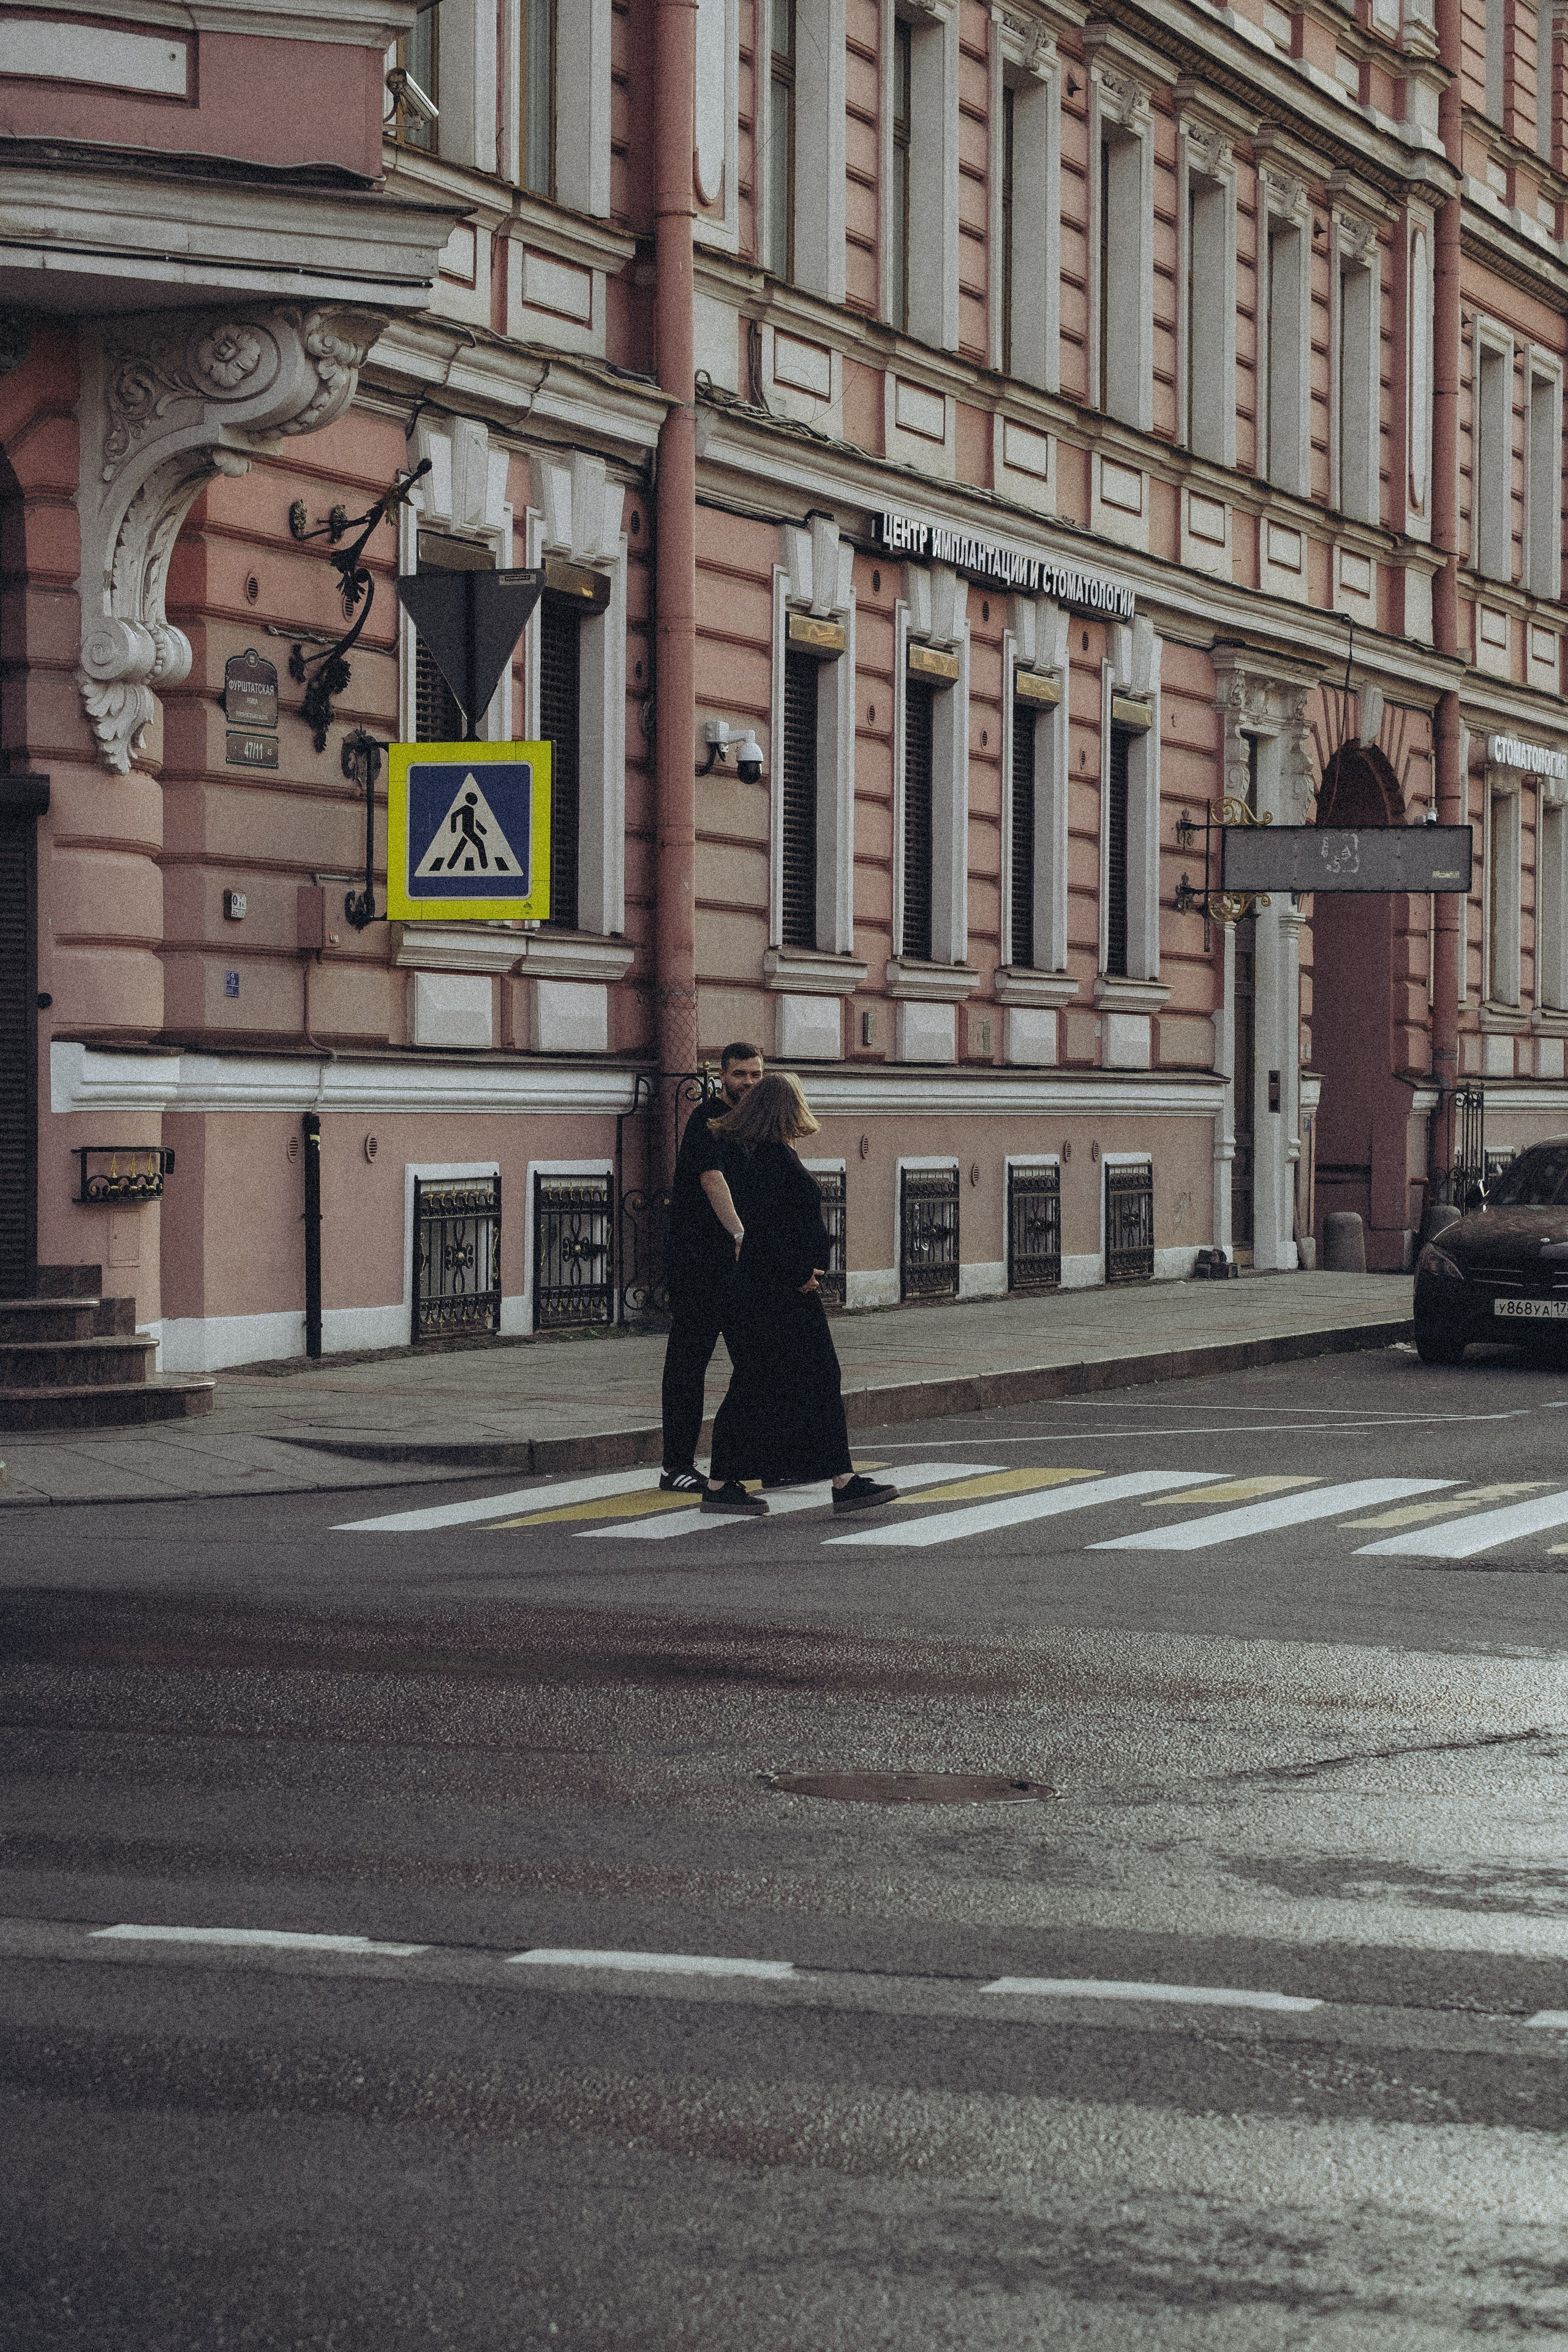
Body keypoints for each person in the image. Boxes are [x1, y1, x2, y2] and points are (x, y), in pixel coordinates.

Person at [700, 1072, 897, 1518]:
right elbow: (768, 1230)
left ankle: (830, 1478)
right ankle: (837, 1481)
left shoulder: (765, 1155)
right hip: (777, 1292)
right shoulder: (769, 1160)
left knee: (768, 1382)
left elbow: (773, 1228)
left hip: (770, 1289)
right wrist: (800, 1273)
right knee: (791, 1379)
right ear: (785, 1110)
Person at [658, 1042, 763, 1493]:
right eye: (741, 1074)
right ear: (722, 1075)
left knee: (755, 1361)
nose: (749, 1083)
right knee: (689, 1362)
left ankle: (759, 1457)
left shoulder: (756, 1125)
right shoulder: (708, 1119)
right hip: (699, 1260)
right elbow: (711, 1179)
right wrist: (740, 1234)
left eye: (756, 1074)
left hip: (739, 1266)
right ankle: (676, 1466)